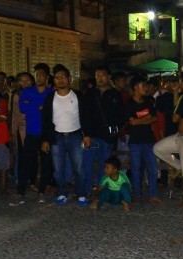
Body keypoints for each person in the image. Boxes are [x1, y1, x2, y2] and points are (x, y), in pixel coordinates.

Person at [153, 70, 183, 207]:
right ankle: (179, 167)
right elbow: (177, 106)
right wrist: (175, 92)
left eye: (179, 81)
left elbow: (175, 117)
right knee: (158, 148)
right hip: (181, 137)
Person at [41, 64, 86, 206]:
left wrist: (87, 135)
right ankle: (62, 193)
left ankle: (81, 194)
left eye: (63, 77)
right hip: (57, 137)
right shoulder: (50, 98)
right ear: (54, 80)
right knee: (58, 169)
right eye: (57, 78)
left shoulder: (78, 95)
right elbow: (46, 120)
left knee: (79, 167)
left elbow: (86, 117)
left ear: (69, 79)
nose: (60, 80)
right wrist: (45, 140)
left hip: (75, 135)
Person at [11, 64, 53, 205]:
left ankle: (42, 191)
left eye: (41, 74)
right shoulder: (27, 92)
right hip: (31, 132)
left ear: (47, 77)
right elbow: (23, 108)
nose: (38, 77)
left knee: (46, 164)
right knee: (25, 163)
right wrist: (40, 107)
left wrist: (36, 106)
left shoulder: (51, 92)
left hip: (46, 133)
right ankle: (20, 192)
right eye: (36, 74)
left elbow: (50, 110)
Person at [82, 66, 125, 195]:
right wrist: (86, 134)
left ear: (109, 77)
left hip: (107, 137)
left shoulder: (115, 94)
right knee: (87, 165)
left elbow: (121, 115)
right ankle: (86, 191)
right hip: (92, 136)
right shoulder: (90, 94)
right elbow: (84, 115)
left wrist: (114, 129)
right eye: (97, 76)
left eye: (102, 75)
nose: (100, 78)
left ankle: (101, 191)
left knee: (105, 167)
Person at [124, 76, 161, 204]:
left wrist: (139, 121)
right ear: (135, 87)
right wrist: (145, 119)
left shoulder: (148, 101)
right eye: (142, 85)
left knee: (153, 168)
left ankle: (153, 195)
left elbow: (154, 118)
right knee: (136, 169)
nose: (145, 88)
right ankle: (137, 194)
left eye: (146, 85)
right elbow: (132, 123)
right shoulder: (129, 104)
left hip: (149, 140)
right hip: (135, 141)